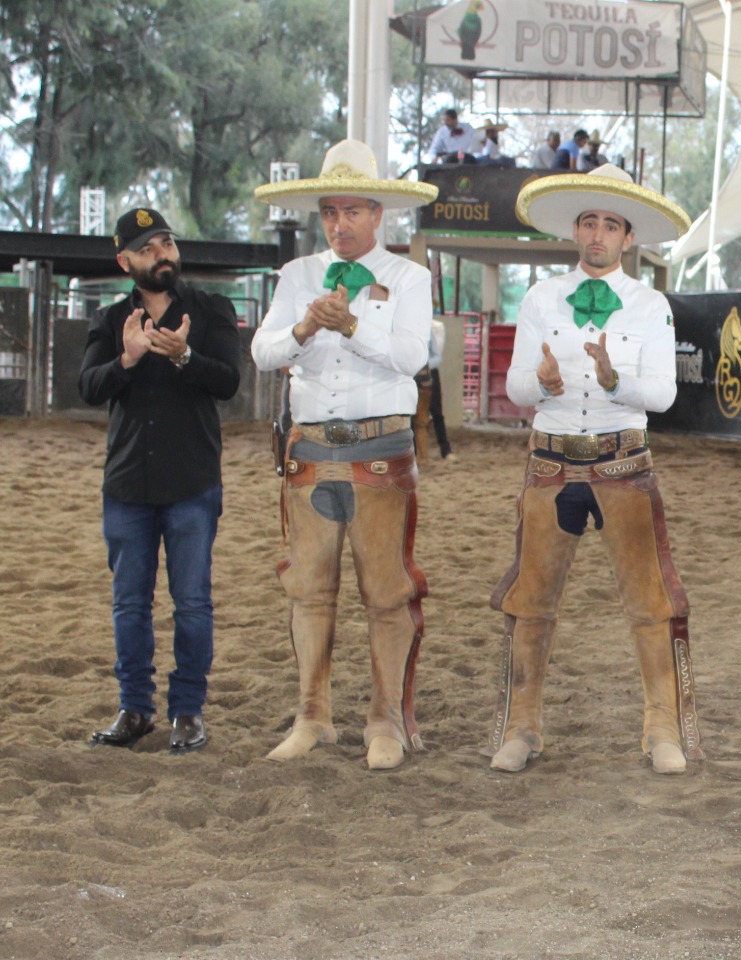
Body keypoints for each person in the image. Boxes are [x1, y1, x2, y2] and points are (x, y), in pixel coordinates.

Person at [487, 163, 703, 777]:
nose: (599, 235)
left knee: (649, 601)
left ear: (628, 238)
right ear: (576, 232)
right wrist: (542, 381)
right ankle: (521, 726)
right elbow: (516, 386)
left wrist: (616, 381)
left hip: (623, 464)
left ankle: (662, 726)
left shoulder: (651, 305)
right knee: (532, 602)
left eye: (611, 224)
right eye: (589, 222)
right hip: (550, 464)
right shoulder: (539, 297)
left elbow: (661, 396)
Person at [250, 140, 439, 770]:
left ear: (378, 214)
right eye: (330, 211)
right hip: (309, 445)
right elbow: (264, 351)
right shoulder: (296, 274)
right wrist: (306, 327)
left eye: (352, 211)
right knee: (308, 588)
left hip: (379, 446)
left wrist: (353, 326)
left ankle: (384, 719)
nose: (339, 224)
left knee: (386, 589)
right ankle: (313, 714)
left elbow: (414, 356)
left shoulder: (410, 278)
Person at [78, 208, 241, 754]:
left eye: (167, 242)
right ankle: (135, 710)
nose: (162, 254)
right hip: (126, 486)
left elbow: (228, 381)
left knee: (192, 602)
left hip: (193, 483)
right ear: (125, 261)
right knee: (130, 604)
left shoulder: (212, 309)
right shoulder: (108, 321)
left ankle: (188, 712)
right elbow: (89, 388)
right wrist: (126, 360)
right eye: (148, 248)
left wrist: (186, 356)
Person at [412, 318, 452, 462]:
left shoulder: (426, 329)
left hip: (427, 372)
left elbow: (437, 356)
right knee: (413, 416)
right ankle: (416, 453)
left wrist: (424, 365)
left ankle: (445, 450)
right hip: (411, 374)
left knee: (436, 412)